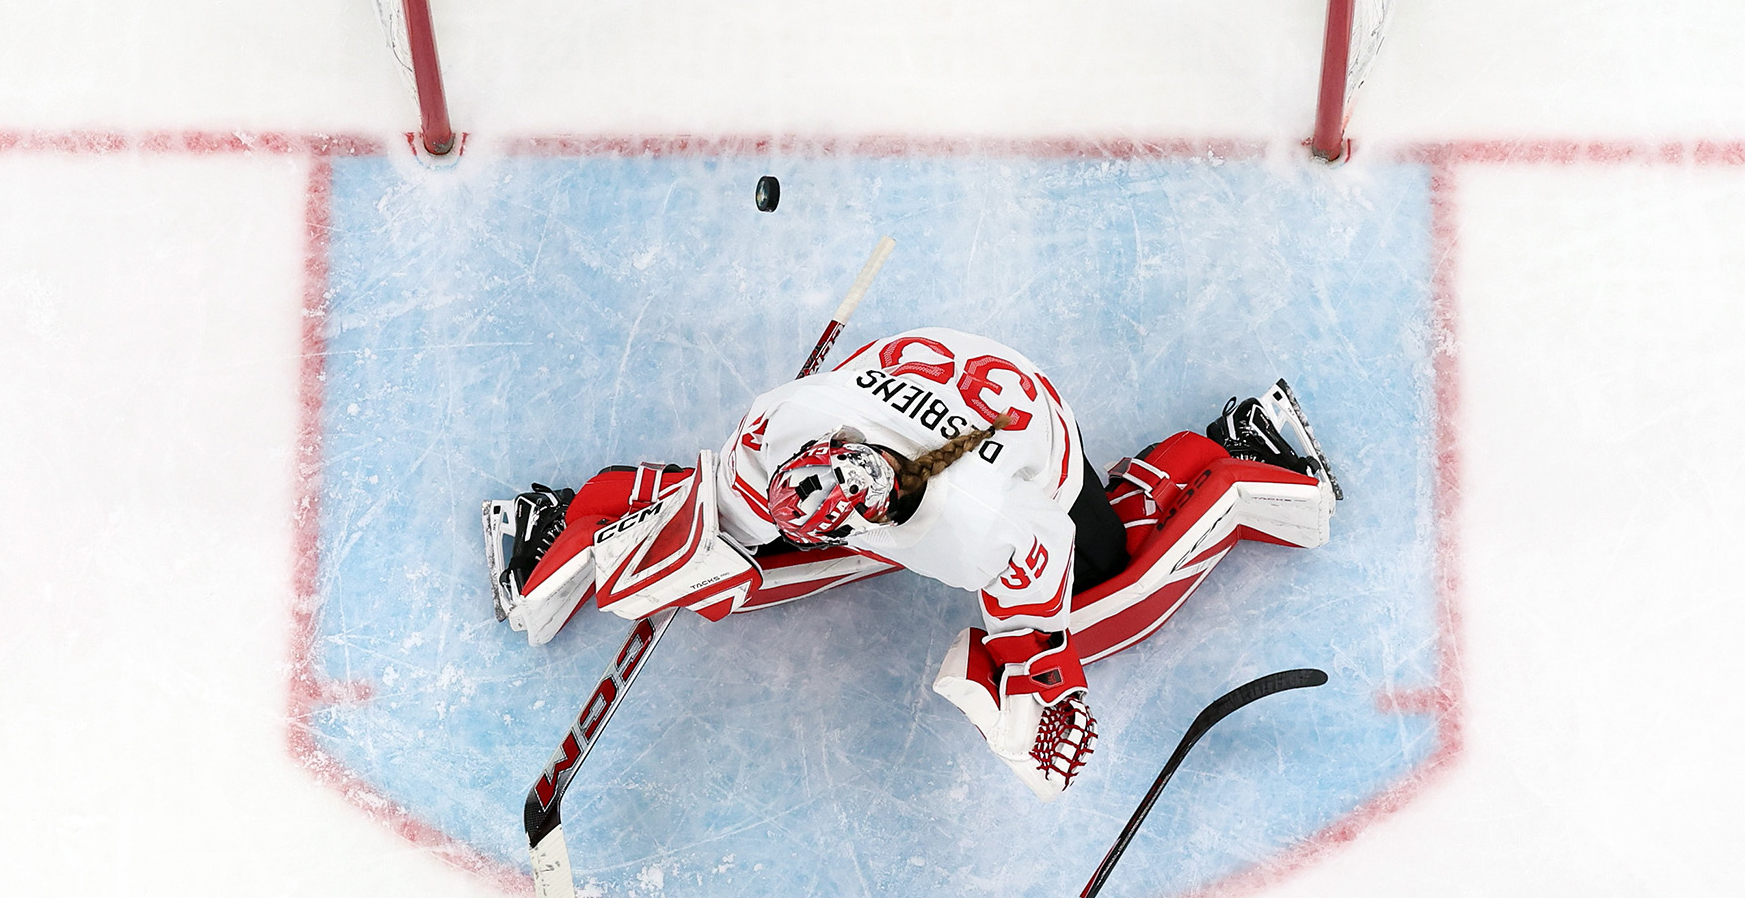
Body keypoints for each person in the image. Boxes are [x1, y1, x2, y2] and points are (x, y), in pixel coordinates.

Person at [482, 330, 1339, 797]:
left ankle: (1236, 454)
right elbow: (704, 499)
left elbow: (1035, 605)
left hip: (1030, 430)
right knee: (748, 561)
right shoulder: (781, 427)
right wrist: (616, 544)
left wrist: (1037, 691)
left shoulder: (983, 519)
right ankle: (545, 528)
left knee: (1108, 605)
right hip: (917, 371)